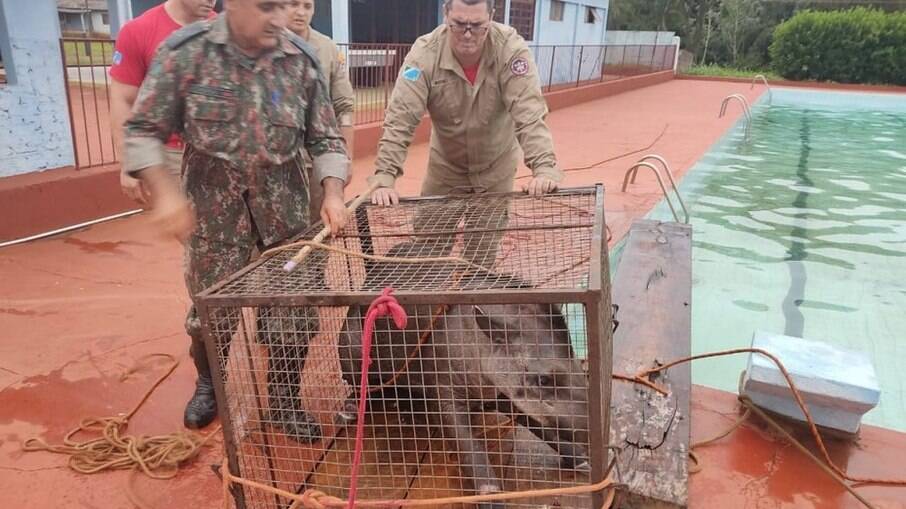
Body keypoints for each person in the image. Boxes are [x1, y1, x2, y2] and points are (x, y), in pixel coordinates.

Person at [122, 0, 350, 440]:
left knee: (293, 315)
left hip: (285, 217)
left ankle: (285, 401)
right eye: (267, 8)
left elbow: (325, 138)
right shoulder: (186, 53)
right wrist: (166, 193)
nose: (280, 19)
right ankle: (211, 383)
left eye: (284, 7)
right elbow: (142, 129)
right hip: (213, 220)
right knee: (210, 316)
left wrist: (333, 192)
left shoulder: (299, 61)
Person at [367, 0, 564, 268]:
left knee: (481, 258)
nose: (468, 34)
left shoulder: (510, 49)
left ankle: (472, 304)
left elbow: (529, 112)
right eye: (459, 25)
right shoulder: (424, 54)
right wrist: (385, 175)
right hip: (446, 167)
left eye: (477, 26)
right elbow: (401, 117)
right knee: (427, 251)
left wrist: (544, 168)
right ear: (446, 14)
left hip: (496, 167)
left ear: (491, 18)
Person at [109, 0, 216, 205]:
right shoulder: (139, 31)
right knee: (186, 230)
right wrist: (128, 163)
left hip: (215, 153)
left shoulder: (223, 32)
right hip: (169, 156)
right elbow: (123, 99)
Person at [287, 0, 355, 222]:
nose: (300, 12)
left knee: (320, 229)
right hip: (278, 167)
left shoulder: (327, 48)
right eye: (293, 4)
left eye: (307, 6)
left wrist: (347, 158)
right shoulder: (264, 46)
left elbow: (344, 107)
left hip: (318, 163)